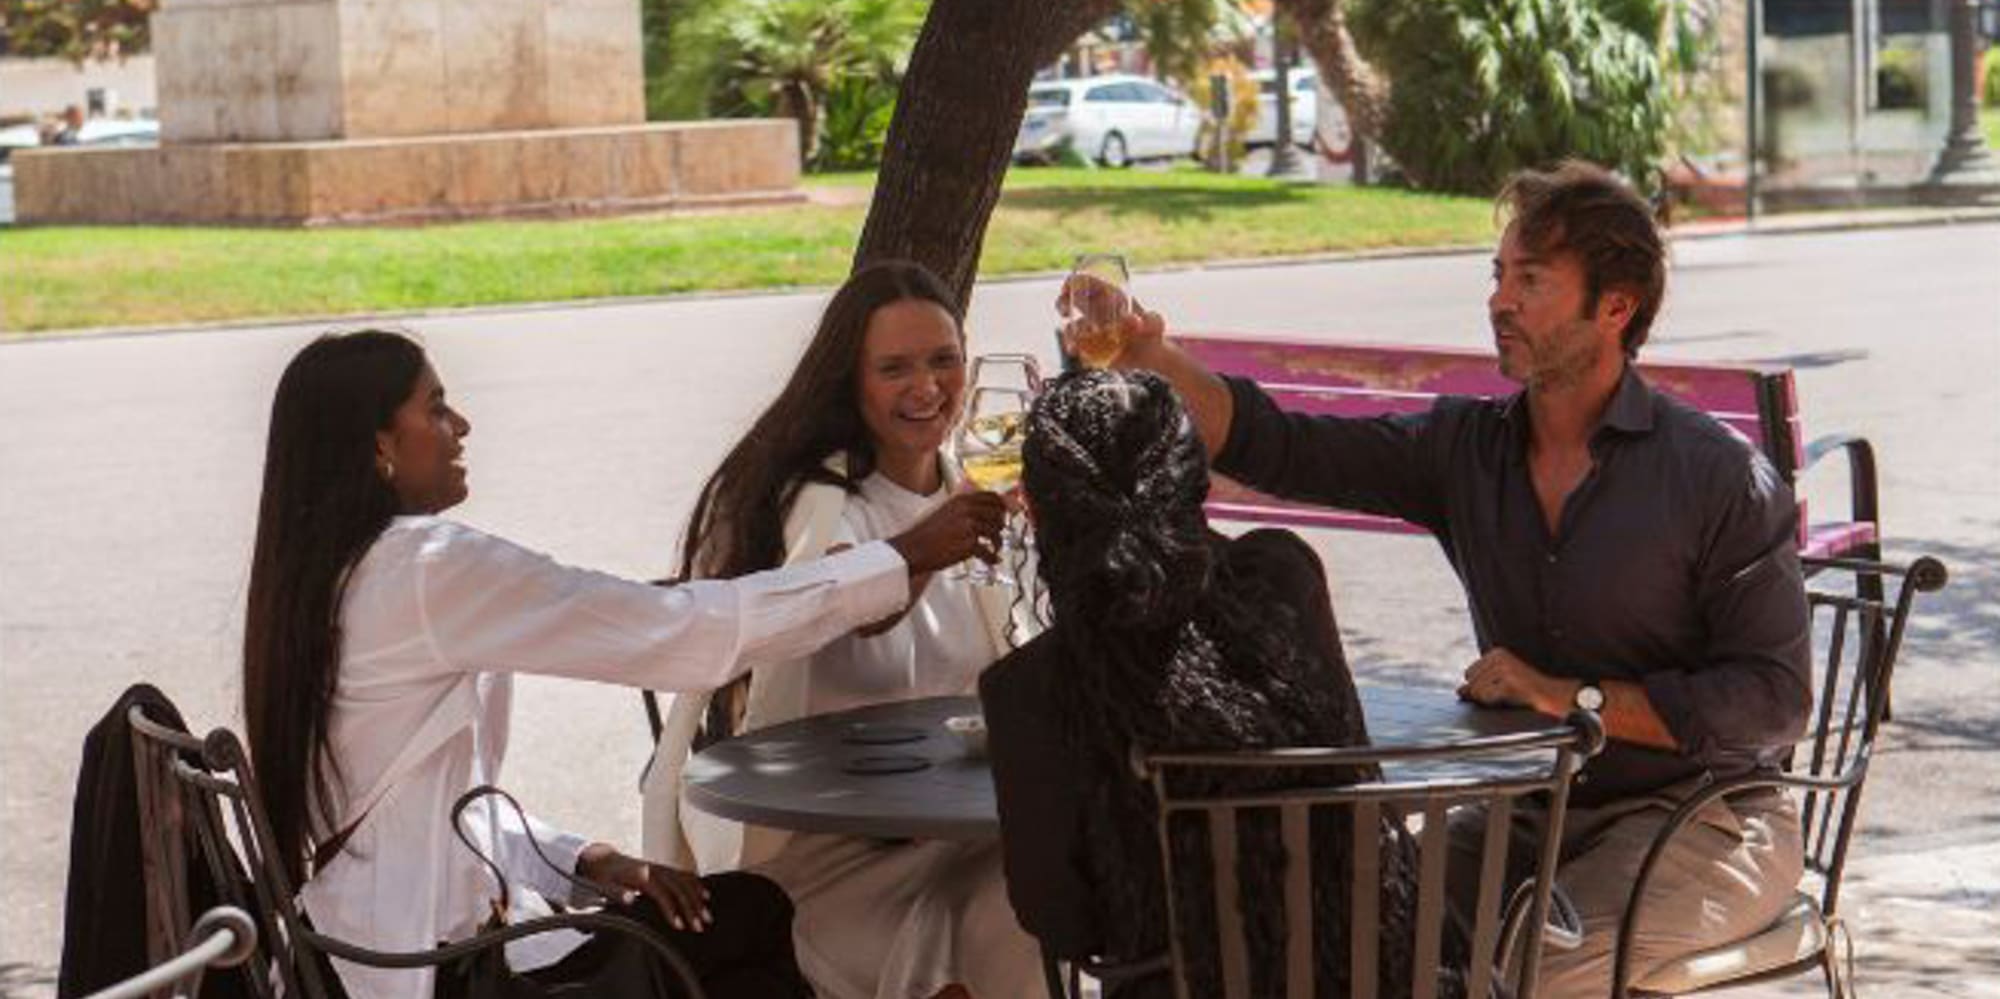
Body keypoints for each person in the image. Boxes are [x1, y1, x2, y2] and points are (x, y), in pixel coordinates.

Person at [1077, 160, 1812, 997]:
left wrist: (1571, 695)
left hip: (1713, 819)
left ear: (1615, 307)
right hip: (1539, 807)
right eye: (1498, 274)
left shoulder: (1717, 476)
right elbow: (1284, 442)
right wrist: (1153, 357)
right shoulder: (1466, 449)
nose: (1500, 300)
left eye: (1530, 280)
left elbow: (1774, 699)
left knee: (1531, 965)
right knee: (1346, 927)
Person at [243, 329, 1005, 999]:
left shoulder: (328, 572)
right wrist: (898, 556)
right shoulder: (423, 569)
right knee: (751, 924)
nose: (460, 425)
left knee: (744, 913)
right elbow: (678, 632)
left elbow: (424, 807)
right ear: (379, 444)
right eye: (435, 408)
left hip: (373, 946)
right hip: (443, 968)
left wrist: (594, 858)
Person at [979, 369, 1470, 998]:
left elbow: (1060, 922)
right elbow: (1349, 776)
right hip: (1371, 978)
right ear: (1195, 485)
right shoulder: (1284, 578)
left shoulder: (1029, 687)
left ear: (1036, 507)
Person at [642, 260, 1040, 999]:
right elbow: (846, 604)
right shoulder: (819, 502)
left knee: (1040, 898)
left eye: (944, 360)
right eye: (895, 368)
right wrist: (920, 553)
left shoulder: (970, 483)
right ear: (850, 381)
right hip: (823, 850)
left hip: (958, 832)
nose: (927, 387)